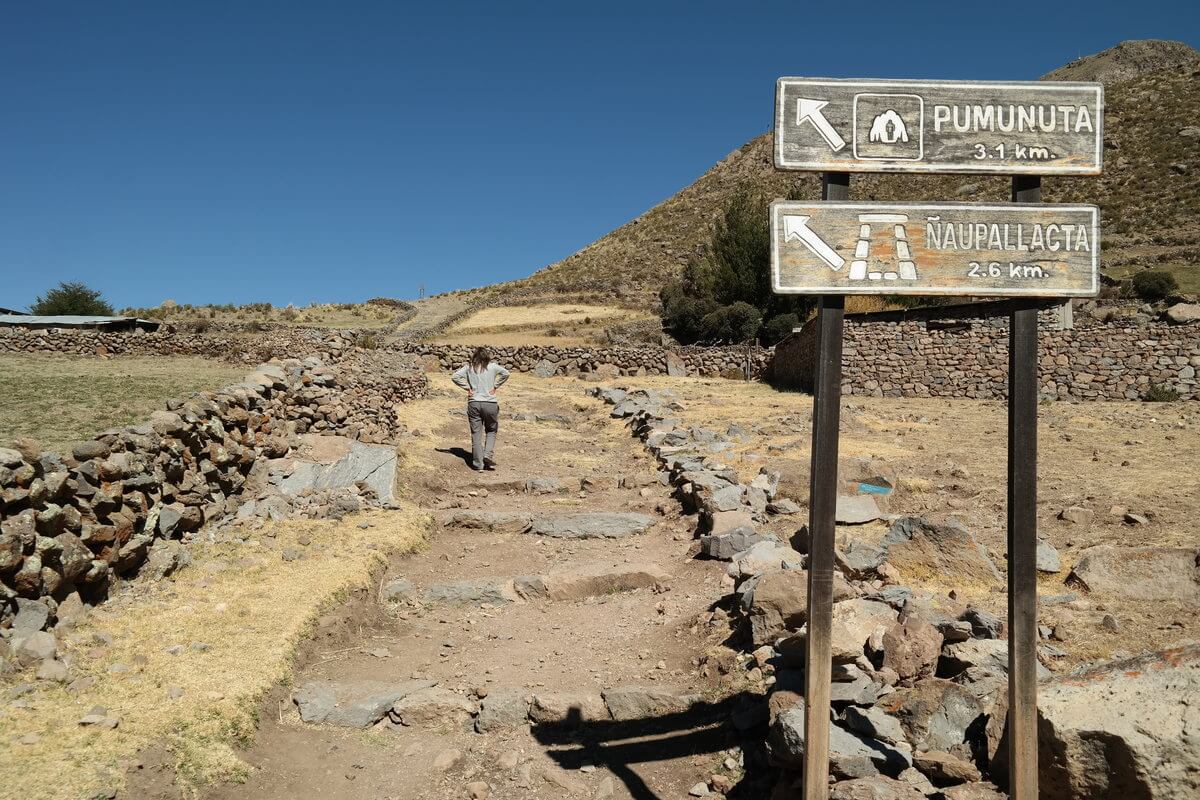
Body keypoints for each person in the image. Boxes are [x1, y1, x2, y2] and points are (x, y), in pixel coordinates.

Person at [451, 347, 510, 471]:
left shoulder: (469, 367)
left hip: (474, 403)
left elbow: (455, 377)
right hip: (490, 403)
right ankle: (487, 454)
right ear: (487, 356)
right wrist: (495, 386)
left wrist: (467, 388)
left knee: (476, 434)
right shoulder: (493, 366)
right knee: (492, 430)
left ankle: (478, 465)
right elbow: (506, 373)